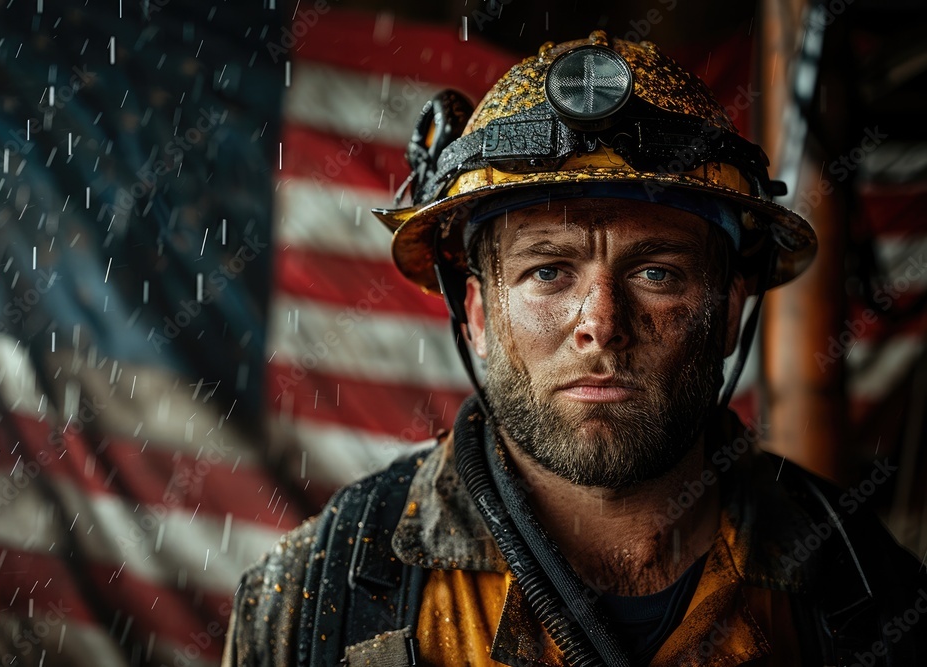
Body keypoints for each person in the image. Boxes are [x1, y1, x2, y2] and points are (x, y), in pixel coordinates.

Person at [222, 32, 927, 667]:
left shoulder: (864, 585)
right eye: (548, 270)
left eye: (657, 272)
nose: (602, 322)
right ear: (477, 313)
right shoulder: (321, 594)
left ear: (731, 309)